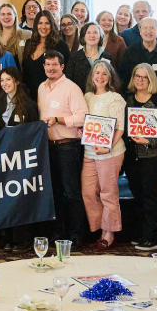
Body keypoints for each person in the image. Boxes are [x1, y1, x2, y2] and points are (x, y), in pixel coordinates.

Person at [38, 50, 89, 245]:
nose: (51, 68)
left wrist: (59, 120)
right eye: (47, 64)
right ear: (43, 67)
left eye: (54, 65)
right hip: (48, 148)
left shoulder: (71, 88)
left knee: (71, 192)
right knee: (55, 193)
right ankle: (58, 233)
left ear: (62, 67)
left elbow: (83, 117)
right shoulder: (41, 88)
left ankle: (76, 235)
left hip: (68, 147)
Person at [122, 63, 157, 251]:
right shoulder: (128, 100)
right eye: (137, 76)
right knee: (138, 196)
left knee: (152, 196)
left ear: (151, 79)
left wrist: (149, 141)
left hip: (153, 156)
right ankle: (143, 234)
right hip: (132, 157)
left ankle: (154, 238)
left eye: (144, 77)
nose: (140, 80)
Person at [81, 59, 126, 251]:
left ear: (110, 77)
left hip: (111, 152)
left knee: (108, 194)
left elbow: (120, 128)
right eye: (97, 73)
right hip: (89, 152)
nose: (100, 77)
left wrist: (108, 147)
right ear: (92, 76)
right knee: (88, 193)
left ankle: (109, 234)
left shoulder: (115, 98)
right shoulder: (87, 97)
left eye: (104, 73)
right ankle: (101, 230)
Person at [21, 11, 66, 94]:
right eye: (40, 23)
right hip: (29, 97)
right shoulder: (29, 43)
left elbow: (65, 74)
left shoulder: (60, 46)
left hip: (52, 94)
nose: (43, 27)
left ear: (52, 25)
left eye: (47, 23)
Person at [118, 17, 157, 85]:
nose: (148, 31)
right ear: (140, 31)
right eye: (145, 28)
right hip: (136, 94)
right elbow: (124, 77)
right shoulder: (130, 52)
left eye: (152, 28)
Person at [66, 23, 112, 91]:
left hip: (103, 99)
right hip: (79, 98)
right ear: (83, 36)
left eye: (95, 32)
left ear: (100, 36)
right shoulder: (74, 58)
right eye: (88, 33)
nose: (92, 35)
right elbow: (68, 82)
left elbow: (113, 81)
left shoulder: (108, 57)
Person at [0, 67, 38, 133]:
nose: (4, 83)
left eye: (8, 79)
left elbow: (34, 130)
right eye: (2, 80)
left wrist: (17, 131)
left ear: (17, 81)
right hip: (2, 142)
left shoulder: (29, 105)